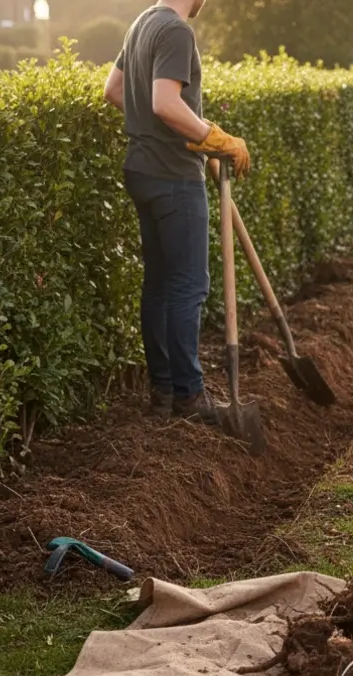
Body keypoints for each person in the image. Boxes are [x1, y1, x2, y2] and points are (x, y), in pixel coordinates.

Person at [102, 0, 251, 422]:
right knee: (188, 286)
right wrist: (213, 137)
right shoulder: (176, 31)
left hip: (143, 170)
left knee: (160, 285)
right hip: (173, 178)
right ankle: (190, 396)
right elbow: (165, 103)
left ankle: (163, 394)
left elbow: (113, 91)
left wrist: (193, 140)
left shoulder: (141, 24)